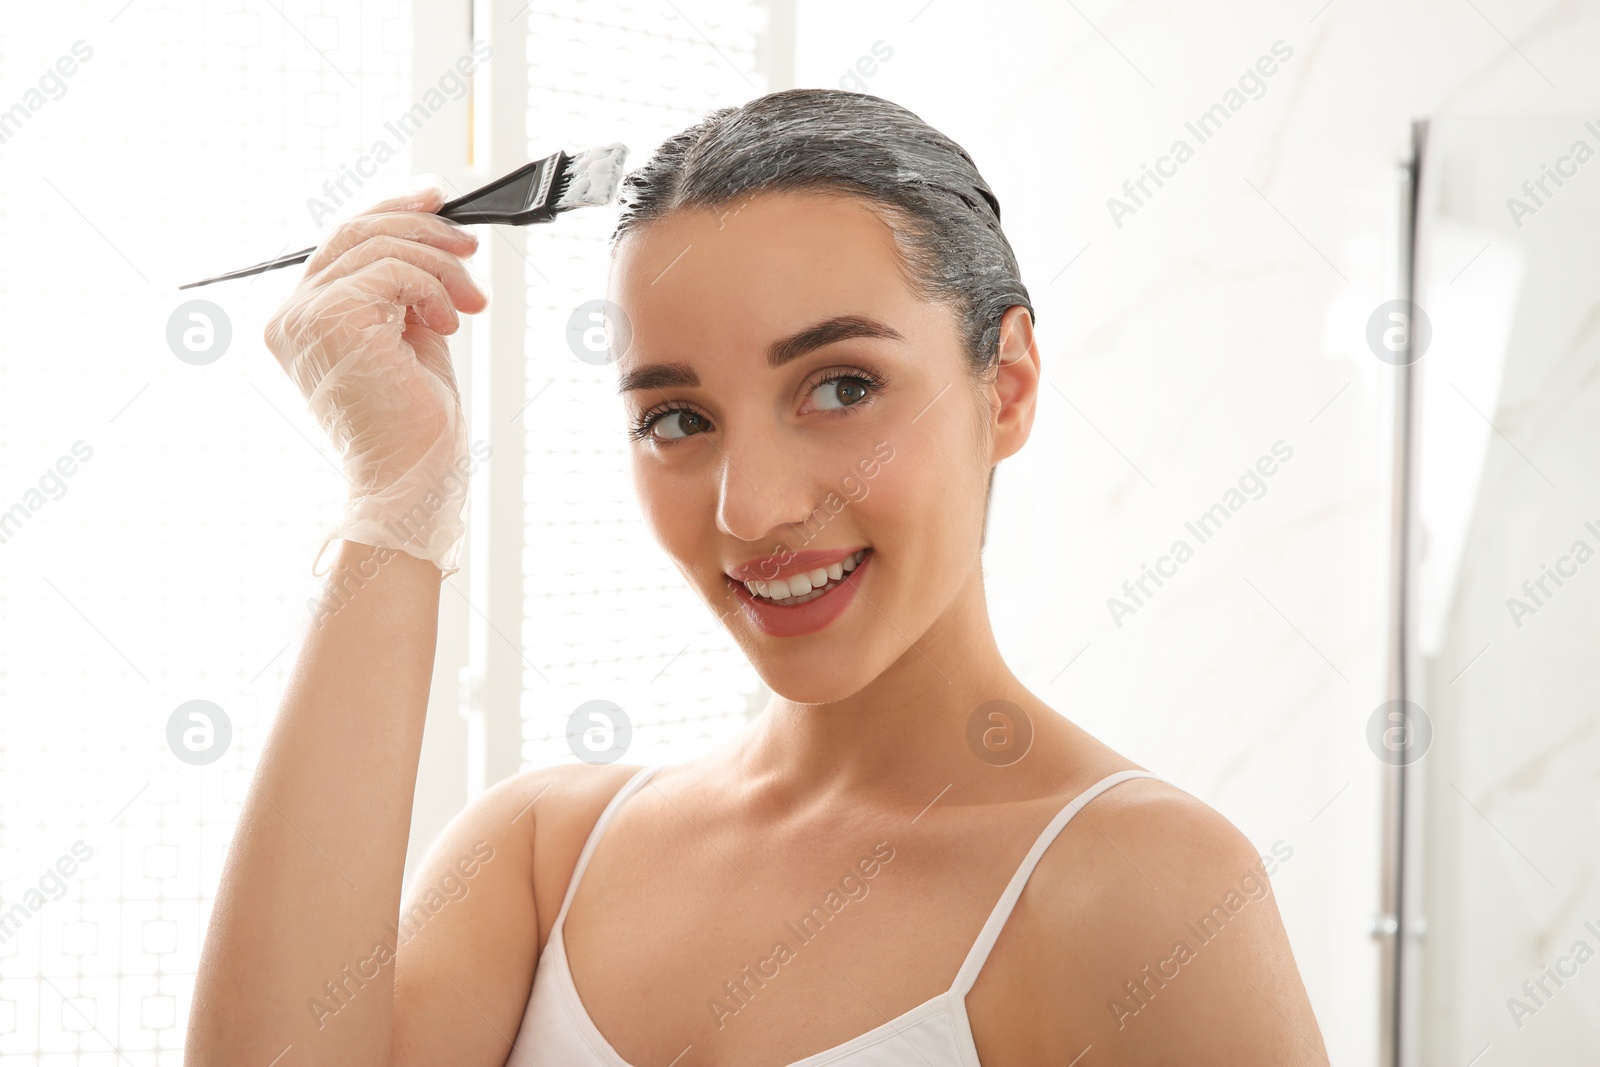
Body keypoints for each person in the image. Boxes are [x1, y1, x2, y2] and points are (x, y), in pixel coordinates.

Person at [187, 88, 1327, 1065]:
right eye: (677, 416)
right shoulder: (542, 858)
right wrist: (397, 500)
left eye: (839, 387)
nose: (752, 508)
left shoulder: (1141, 889)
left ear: (1008, 383)